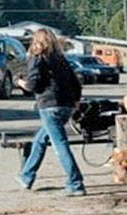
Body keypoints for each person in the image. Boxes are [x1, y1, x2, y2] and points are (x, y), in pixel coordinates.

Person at [15, 29, 85, 196]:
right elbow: (76, 82)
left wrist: (19, 82)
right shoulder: (60, 59)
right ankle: (26, 175)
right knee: (40, 140)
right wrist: (75, 101)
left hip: (49, 106)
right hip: (66, 106)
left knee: (60, 145)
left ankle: (75, 183)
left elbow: (33, 85)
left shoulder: (37, 58)